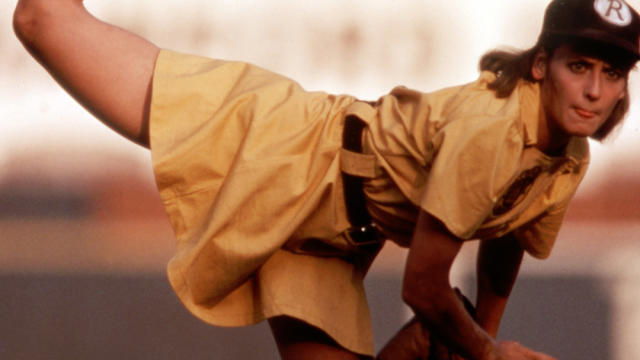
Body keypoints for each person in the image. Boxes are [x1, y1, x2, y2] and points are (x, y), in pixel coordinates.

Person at [12, 0, 639, 359]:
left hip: (334, 246)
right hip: (292, 149)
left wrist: (483, 342)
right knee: (40, 18)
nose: (593, 89)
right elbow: (425, 286)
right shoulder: (491, 132)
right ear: (539, 66)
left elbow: (508, 237)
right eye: (578, 64)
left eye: (611, 73)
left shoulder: (567, 156)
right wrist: (486, 354)